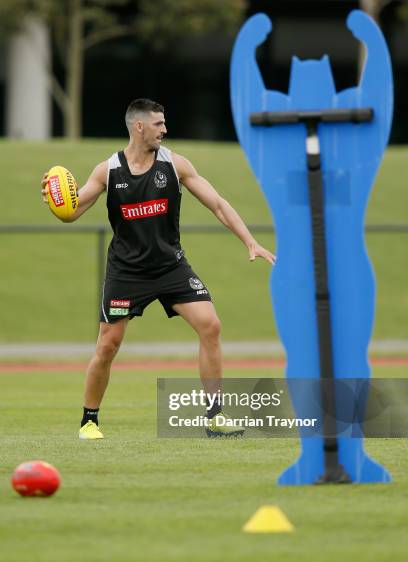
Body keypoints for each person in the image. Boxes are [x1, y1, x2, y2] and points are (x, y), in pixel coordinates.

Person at [41, 98, 275, 440]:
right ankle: (89, 420)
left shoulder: (175, 165)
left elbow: (218, 205)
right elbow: (72, 211)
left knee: (210, 325)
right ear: (139, 126)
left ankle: (215, 416)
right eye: (158, 124)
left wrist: (250, 241)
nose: (164, 130)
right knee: (108, 345)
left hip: (170, 267)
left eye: (164, 124)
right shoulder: (108, 170)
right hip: (126, 272)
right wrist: (55, 198)